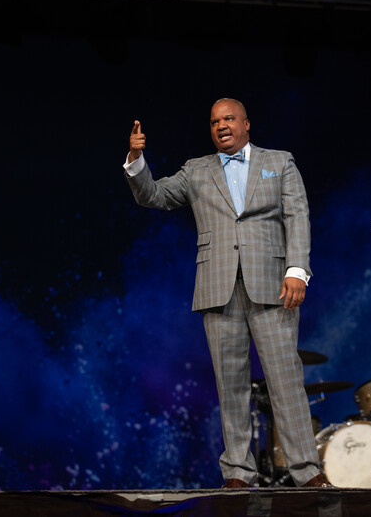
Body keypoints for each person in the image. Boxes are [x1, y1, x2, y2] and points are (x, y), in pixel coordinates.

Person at [124, 98, 331, 488]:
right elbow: (154, 195)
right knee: (231, 384)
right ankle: (238, 471)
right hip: (218, 287)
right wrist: (136, 160)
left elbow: (297, 216)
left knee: (285, 381)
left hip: (273, 284)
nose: (221, 125)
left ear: (246, 124)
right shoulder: (197, 170)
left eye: (229, 118)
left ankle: (307, 471)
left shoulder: (279, 162)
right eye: (215, 121)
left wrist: (297, 271)